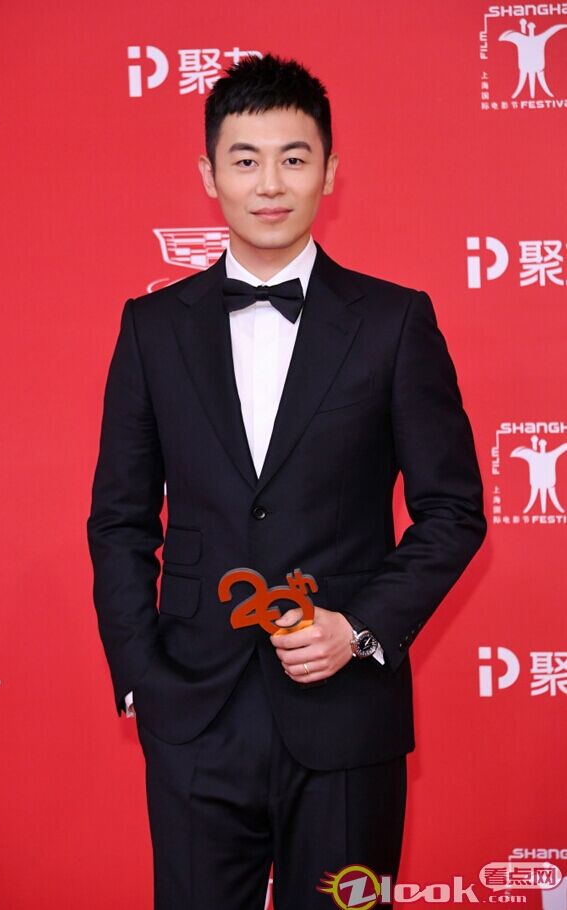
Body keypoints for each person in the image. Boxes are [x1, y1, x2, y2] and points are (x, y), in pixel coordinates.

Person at [87, 53, 486, 910]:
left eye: (293, 158)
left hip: (346, 719)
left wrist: (359, 629)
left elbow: (453, 511)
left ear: (329, 172)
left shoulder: (394, 322)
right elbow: (120, 518)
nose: (269, 183)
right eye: (245, 159)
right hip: (193, 713)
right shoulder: (152, 329)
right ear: (209, 175)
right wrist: (140, 674)